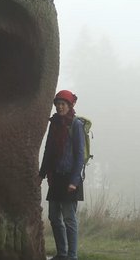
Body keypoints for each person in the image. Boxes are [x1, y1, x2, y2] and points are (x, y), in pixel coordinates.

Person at [38, 90, 85, 260]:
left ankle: (72, 256)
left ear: (69, 105)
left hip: (70, 178)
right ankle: (62, 254)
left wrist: (74, 181)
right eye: (57, 104)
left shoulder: (76, 125)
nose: (59, 107)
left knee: (69, 218)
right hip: (56, 177)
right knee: (53, 217)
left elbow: (80, 155)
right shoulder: (55, 124)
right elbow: (48, 151)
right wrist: (41, 174)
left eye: (63, 104)